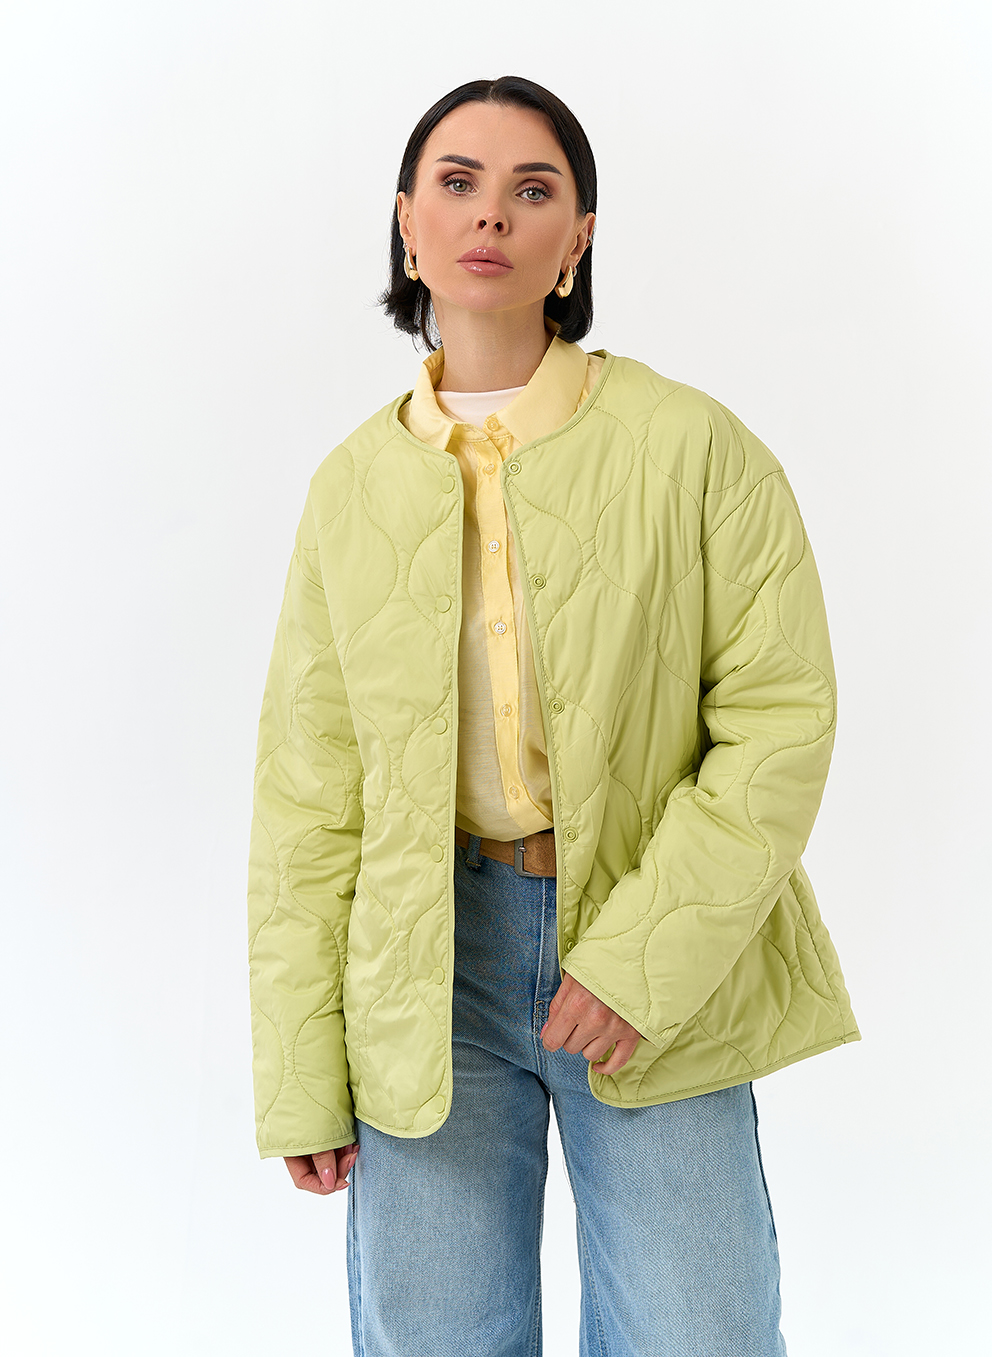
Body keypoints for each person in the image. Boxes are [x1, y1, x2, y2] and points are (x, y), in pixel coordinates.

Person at [247, 74, 860, 1357]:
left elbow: (776, 723)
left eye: (532, 190)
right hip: (424, 967)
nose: (491, 215)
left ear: (576, 238)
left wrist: (640, 960)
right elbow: (310, 794)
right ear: (407, 223)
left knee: (699, 1333)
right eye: (457, 183)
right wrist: (299, 1065)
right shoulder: (349, 487)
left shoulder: (691, 447)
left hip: (647, 945)